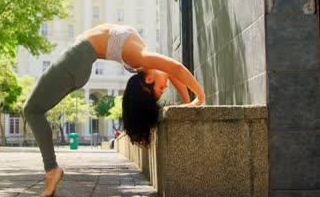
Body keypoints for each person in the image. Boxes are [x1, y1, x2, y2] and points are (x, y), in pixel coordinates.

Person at [23, 23, 205, 197]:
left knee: (32, 109)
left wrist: (196, 100)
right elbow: (175, 71)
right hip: (78, 61)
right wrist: (193, 100)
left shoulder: (141, 58)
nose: (165, 86)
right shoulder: (143, 58)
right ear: (149, 80)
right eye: (161, 89)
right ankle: (52, 168)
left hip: (76, 58)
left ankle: (51, 168)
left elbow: (174, 70)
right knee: (34, 109)